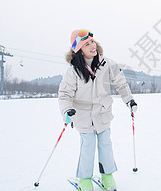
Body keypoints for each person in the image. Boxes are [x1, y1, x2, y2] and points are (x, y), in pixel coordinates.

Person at [58, 29, 138, 191]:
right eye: (86, 44)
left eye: (92, 42)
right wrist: (67, 110)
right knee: (87, 146)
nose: (92, 46)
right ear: (79, 49)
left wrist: (129, 100)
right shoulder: (73, 70)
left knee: (105, 145)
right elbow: (65, 94)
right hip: (83, 116)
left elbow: (120, 83)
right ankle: (84, 179)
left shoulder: (107, 63)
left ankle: (107, 176)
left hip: (103, 114)